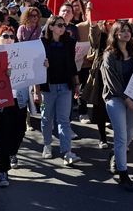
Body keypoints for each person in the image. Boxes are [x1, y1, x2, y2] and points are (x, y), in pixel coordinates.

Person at [0, 25, 47, 187]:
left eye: (12, 36)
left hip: (19, 99)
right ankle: (3, 172)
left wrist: (42, 65)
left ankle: (12, 153)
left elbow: (35, 69)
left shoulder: (23, 53)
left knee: (19, 131)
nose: (9, 39)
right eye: (5, 36)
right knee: (2, 136)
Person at [101, 21, 133, 192]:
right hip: (116, 99)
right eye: (122, 31)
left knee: (130, 132)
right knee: (121, 136)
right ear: (115, 34)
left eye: (128, 31)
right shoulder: (109, 55)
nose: (126, 34)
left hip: (131, 99)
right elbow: (113, 84)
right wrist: (129, 102)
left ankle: (116, 155)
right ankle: (123, 175)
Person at [38, 16, 82, 165]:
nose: (63, 27)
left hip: (65, 86)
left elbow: (73, 65)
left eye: (64, 25)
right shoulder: (42, 43)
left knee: (64, 120)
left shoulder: (69, 43)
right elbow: (35, 68)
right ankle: (47, 145)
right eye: (59, 25)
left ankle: (67, 152)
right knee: (46, 119)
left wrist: (77, 84)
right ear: (51, 27)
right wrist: (36, 91)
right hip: (48, 88)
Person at [83, 16, 114, 149]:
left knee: (117, 107)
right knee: (100, 107)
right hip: (101, 76)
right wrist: (93, 22)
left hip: (115, 75)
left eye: (114, 22)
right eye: (109, 23)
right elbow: (94, 38)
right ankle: (102, 138)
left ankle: (120, 139)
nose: (111, 25)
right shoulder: (100, 36)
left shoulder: (119, 36)